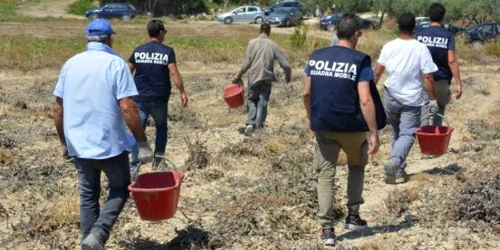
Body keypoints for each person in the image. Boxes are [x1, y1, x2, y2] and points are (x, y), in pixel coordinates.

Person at [53, 19, 154, 250]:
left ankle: (87, 243)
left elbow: (58, 108)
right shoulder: (115, 64)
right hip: (109, 144)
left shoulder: (70, 64)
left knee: (89, 196)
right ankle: (98, 234)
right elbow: (127, 107)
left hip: (79, 144)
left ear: (87, 39)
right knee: (120, 187)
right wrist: (143, 143)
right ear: (110, 39)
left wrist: (64, 143)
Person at [303, 13, 386, 246]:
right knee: (356, 166)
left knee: (325, 174)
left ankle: (327, 229)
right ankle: (352, 216)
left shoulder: (316, 56)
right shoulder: (360, 60)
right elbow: (366, 100)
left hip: (324, 126)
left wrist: (311, 119)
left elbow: (306, 92)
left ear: (336, 32)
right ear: (356, 34)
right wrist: (375, 133)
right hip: (352, 128)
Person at [374, 12, 439, 184]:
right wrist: (433, 100)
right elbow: (428, 77)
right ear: (414, 28)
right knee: (408, 134)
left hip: (391, 96)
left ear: (398, 27)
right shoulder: (420, 48)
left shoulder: (389, 46)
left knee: (397, 132)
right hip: (412, 100)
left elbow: (378, 71)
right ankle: (395, 162)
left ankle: (397, 172)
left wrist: (371, 93)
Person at [128, 19, 188, 169]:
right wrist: (182, 92)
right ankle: (158, 161)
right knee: (161, 128)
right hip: (159, 98)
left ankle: (135, 164)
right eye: (164, 32)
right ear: (161, 33)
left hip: (139, 97)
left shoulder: (138, 50)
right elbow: (174, 73)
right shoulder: (167, 51)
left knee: (137, 129)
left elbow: (128, 72)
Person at [234, 23, 291, 136]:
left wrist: (239, 75)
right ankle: (259, 128)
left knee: (252, 100)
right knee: (262, 102)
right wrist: (288, 75)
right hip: (266, 77)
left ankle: (250, 123)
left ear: (259, 31)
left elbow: (247, 63)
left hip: (254, 77)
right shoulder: (272, 44)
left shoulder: (252, 43)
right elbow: (285, 64)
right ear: (269, 32)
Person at [416, 3, 463, 126]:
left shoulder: (419, 34)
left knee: (424, 110)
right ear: (443, 17)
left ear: (429, 16)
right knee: (440, 109)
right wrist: (458, 82)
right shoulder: (448, 36)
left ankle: (424, 137)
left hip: (422, 79)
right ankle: (436, 136)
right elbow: (451, 60)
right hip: (441, 79)